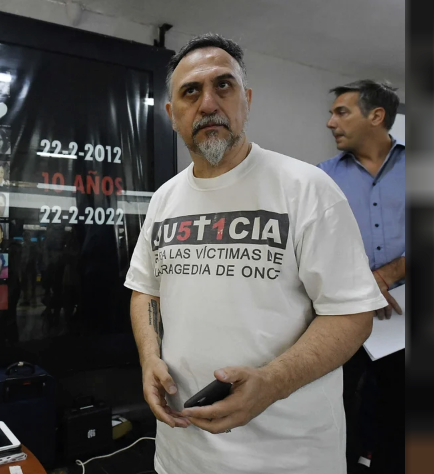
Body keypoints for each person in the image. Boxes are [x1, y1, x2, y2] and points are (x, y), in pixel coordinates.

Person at [123, 33, 386, 474]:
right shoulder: (165, 199)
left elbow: (353, 315)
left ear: (245, 100)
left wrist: (272, 383)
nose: (208, 103)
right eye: (191, 91)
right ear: (172, 114)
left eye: (223, 86)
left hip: (288, 459)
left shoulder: (307, 189)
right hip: (180, 455)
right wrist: (150, 357)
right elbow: (145, 290)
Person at [318, 80, 405, 474]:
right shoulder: (321, 178)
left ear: (376, 116)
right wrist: (364, 286)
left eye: (342, 112)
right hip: (343, 317)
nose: (330, 122)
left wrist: (386, 276)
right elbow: (313, 247)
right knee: (338, 409)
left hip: (406, 320)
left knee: (401, 413)